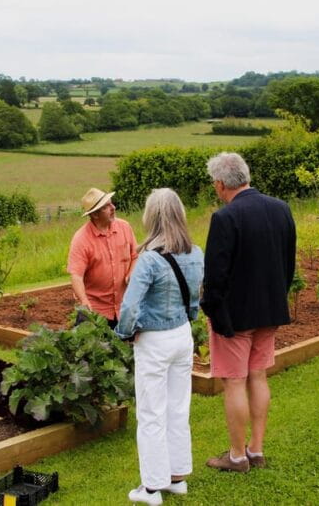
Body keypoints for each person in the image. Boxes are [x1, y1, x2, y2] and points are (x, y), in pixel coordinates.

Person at [201, 152, 296, 472]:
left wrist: (213, 312)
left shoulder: (226, 218)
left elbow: (215, 277)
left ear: (219, 184)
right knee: (258, 376)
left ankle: (237, 455)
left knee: (234, 381)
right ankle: (256, 449)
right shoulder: (281, 209)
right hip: (270, 310)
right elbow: (288, 264)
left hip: (235, 318)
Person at [115, 188, 203, 506]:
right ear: (179, 214)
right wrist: (188, 318)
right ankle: (177, 478)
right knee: (178, 409)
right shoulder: (196, 253)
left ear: (151, 217)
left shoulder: (150, 259)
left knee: (151, 414)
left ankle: (151, 488)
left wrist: (125, 333)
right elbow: (194, 300)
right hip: (182, 336)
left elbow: (128, 307)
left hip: (154, 340)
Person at [67, 187, 137, 328]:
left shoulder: (125, 227)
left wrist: (131, 273)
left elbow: (135, 256)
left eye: (111, 203)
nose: (113, 208)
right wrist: (84, 300)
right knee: (89, 347)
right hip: (96, 311)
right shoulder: (81, 239)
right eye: (107, 206)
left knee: (129, 348)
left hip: (125, 307)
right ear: (95, 215)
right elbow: (76, 276)